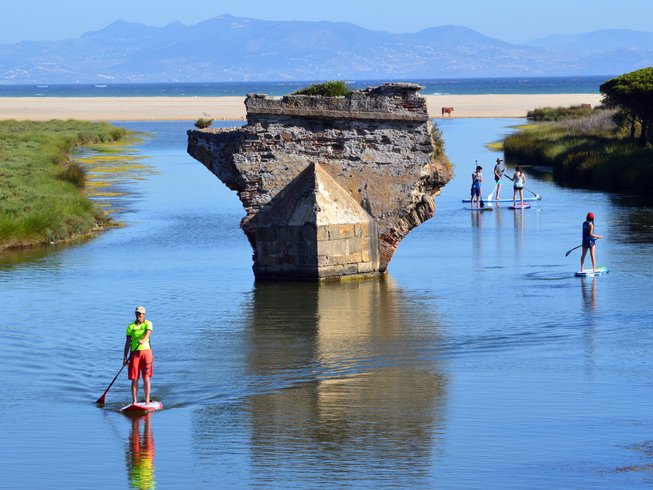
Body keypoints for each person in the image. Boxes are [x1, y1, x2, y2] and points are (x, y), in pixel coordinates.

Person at [124, 306, 154, 404]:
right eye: (137, 313)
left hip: (146, 352)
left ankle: (147, 401)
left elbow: (148, 333)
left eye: (140, 314)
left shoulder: (148, 323)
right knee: (134, 378)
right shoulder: (130, 326)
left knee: (146, 377)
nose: (138, 315)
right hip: (134, 354)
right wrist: (125, 357)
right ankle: (134, 402)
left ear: (144, 314)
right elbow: (128, 342)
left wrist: (143, 340)